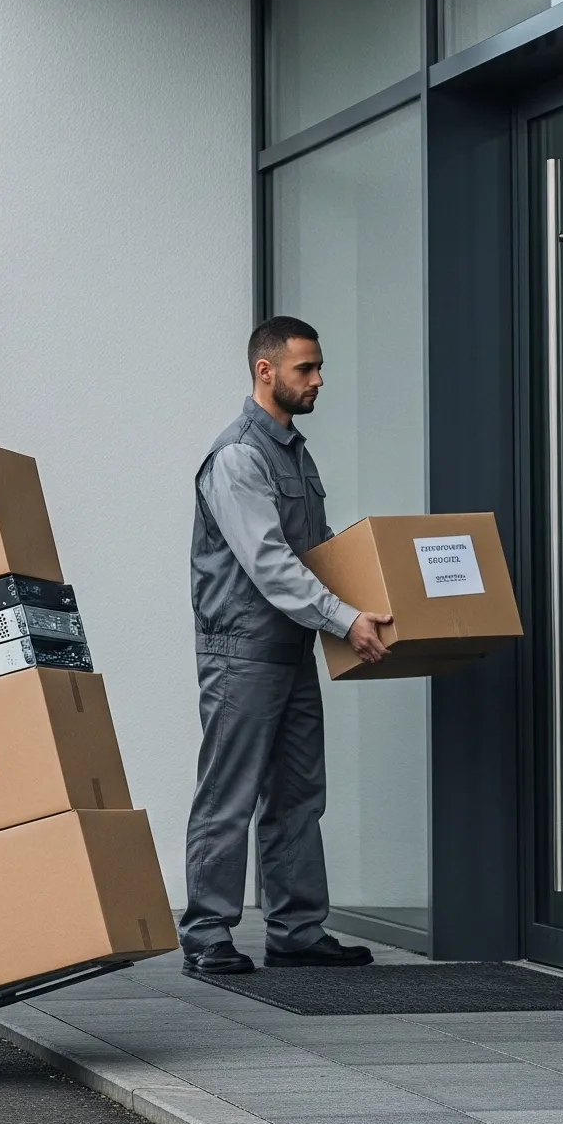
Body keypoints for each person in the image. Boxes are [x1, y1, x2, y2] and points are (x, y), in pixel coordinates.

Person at [179, 315, 391, 977]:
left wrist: (372, 602)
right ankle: (206, 934)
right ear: (265, 371)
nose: (318, 379)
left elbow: (317, 552)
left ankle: (296, 931)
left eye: (319, 366)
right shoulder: (239, 456)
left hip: (291, 647)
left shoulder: (294, 452)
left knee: (298, 794)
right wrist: (345, 620)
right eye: (306, 368)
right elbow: (270, 563)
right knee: (229, 794)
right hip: (241, 653)